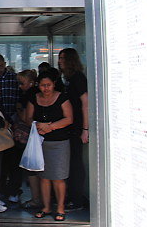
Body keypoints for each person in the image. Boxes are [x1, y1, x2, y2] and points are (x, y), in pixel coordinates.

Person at [26, 72, 73, 222]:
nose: (45, 88)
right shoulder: (34, 98)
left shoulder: (62, 97)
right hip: (39, 142)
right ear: (37, 85)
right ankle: (46, 207)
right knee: (43, 177)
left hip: (59, 142)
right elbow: (28, 118)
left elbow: (69, 119)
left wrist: (51, 127)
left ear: (54, 84)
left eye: (48, 85)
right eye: (42, 85)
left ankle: (60, 208)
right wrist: (38, 126)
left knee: (58, 177)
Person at [58, 48, 89, 211]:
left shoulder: (77, 78)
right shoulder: (68, 79)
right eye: (59, 58)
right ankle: (72, 196)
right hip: (70, 127)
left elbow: (85, 103)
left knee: (76, 163)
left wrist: (85, 129)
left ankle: (77, 200)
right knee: (70, 162)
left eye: (63, 58)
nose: (60, 61)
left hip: (77, 127)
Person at [15, 69, 42, 209]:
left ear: (31, 83)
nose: (19, 86)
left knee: (31, 168)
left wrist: (18, 110)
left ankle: (36, 198)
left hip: (30, 135)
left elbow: (26, 119)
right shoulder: (35, 94)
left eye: (22, 83)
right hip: (38, 134)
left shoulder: (29, 96)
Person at [0, 54, 21, 202]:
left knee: (13, 160)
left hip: (12, 122)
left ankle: (13, 190)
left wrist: (13, 120)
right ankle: (1, 191)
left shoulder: (13, 77)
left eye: (0, 65)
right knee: (0, 162)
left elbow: (18, 98)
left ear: (4, 63)